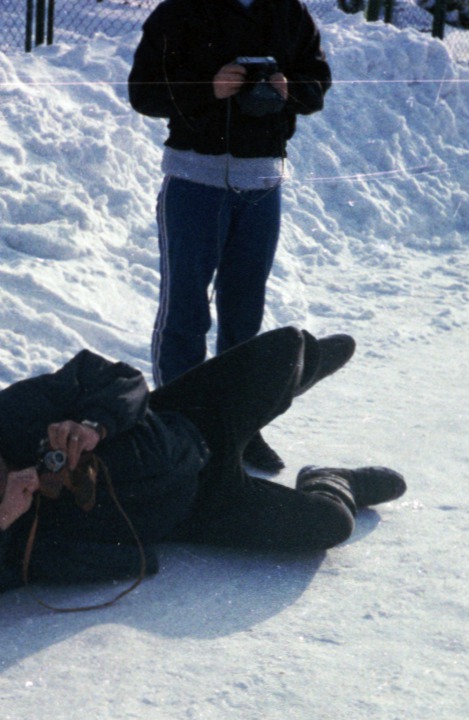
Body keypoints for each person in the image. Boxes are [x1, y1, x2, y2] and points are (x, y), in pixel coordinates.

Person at [0, 327, 404, 617]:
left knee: (289, 347)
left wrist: (94, 425)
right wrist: (6, 515)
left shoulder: (10, 415)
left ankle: (296, 376)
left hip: (185, 421)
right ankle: (334, 477)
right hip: (199, 508)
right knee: (329, 525)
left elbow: (112, 376)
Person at [128, 0, 333, 473]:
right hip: (194, 180)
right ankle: (178, 429)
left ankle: (239, 427)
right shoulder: (177, 13)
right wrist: (209, 88)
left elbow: (317, 83)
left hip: (261, 180)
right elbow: (143, 93)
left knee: (244, 309)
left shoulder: (289, 13)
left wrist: (289, 88)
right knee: (185, 307)